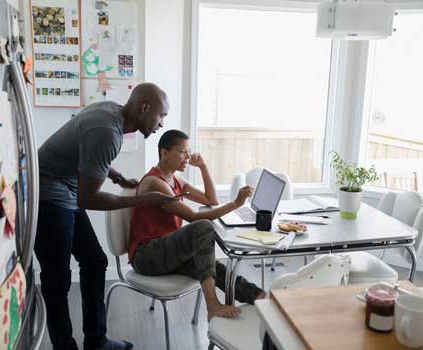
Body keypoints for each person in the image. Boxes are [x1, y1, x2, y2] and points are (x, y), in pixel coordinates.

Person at [35, 83, 178, 350]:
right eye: (161, 116)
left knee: (95, 261)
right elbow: (88, 199)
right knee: (57, 278)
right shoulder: (108, 132)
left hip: (66, 186)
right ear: (144, 108)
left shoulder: (111, 112)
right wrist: (145, 200)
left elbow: (89, 153)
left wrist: (119, 178)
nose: (161, 124)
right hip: (47, 192)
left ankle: (96, 342)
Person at [128, 129, 266, 320]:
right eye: (183, 151)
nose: (188, 156)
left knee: (214, 267)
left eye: (189, 151)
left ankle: (262, 298)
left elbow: (211, 199)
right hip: (146, 256)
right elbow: (194, 218)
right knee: (203, 227)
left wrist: (203, 167)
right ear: (164, 153)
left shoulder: (174, 179)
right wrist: (235, 204)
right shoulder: (154, 183)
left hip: (166, 252)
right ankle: (213, 306)